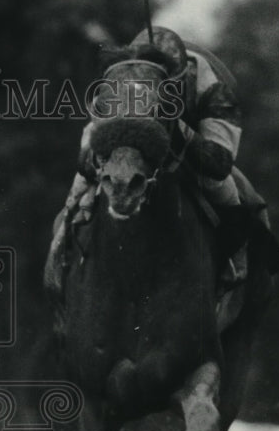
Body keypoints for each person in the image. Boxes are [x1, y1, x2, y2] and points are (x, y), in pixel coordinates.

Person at [51, 26, 251, 290]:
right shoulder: (123, 77)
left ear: (179, 81)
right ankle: (60, 246)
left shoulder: (215, 90)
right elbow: (87, 154)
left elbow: (219, 163)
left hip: (195, 132)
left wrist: (178, 127)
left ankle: (235, 256)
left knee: (221, 186)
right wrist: (98, 157)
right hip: (138, 139)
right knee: (82, 182)